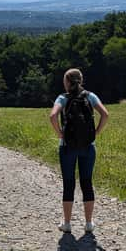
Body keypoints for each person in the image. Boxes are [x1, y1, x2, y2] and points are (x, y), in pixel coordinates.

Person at [49, 68, 109, 233]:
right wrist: (96, 132)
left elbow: (53, 116)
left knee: (69, 184)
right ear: (80, 81)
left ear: (67, 82)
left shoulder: (63, 98)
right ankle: (89, 223)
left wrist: (60, 133)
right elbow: (105, 115)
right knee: (86, 182)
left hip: (67, 147)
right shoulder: (90, 96)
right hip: (88, 146)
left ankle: (67, 223)